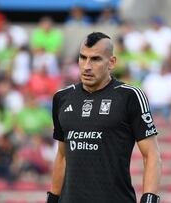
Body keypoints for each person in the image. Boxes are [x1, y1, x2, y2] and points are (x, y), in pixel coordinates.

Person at [47, 32, 161, 203]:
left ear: (112, 62)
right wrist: (53, 199)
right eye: (82, 58)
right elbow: (62, 156)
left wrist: (149, 200)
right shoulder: (62, 97)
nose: (86, 66)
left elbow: (151, 155)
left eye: (95, 59)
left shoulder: (130, 96)